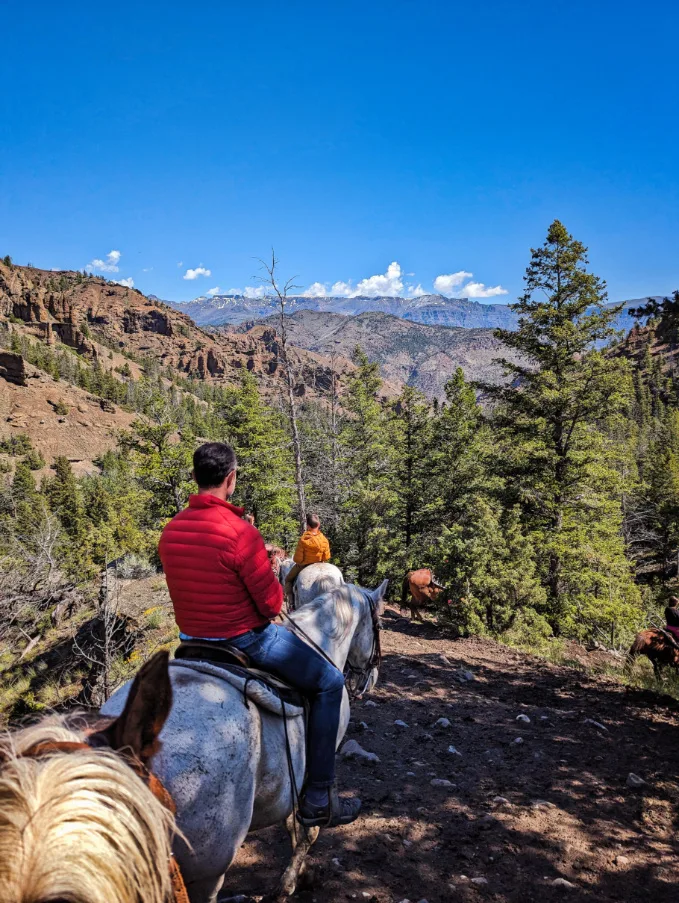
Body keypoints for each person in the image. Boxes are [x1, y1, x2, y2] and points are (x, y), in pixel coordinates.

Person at [158, 442, 360, 827]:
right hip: (246, 640)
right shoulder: (241, 532)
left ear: (196, 477)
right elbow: (270, 606)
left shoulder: (172, 530)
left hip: (191, 643)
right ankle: (318, 797)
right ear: (230, 479)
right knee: (330, 682)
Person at [284, 513, 331, 602]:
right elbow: (327, 556)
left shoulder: (303, 540)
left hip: (304, 565)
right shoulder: (324, 539)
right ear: (319, 525)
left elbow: (297, 559)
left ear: (308, 526)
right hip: (321, 564)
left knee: (288, 579)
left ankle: (290, 601)